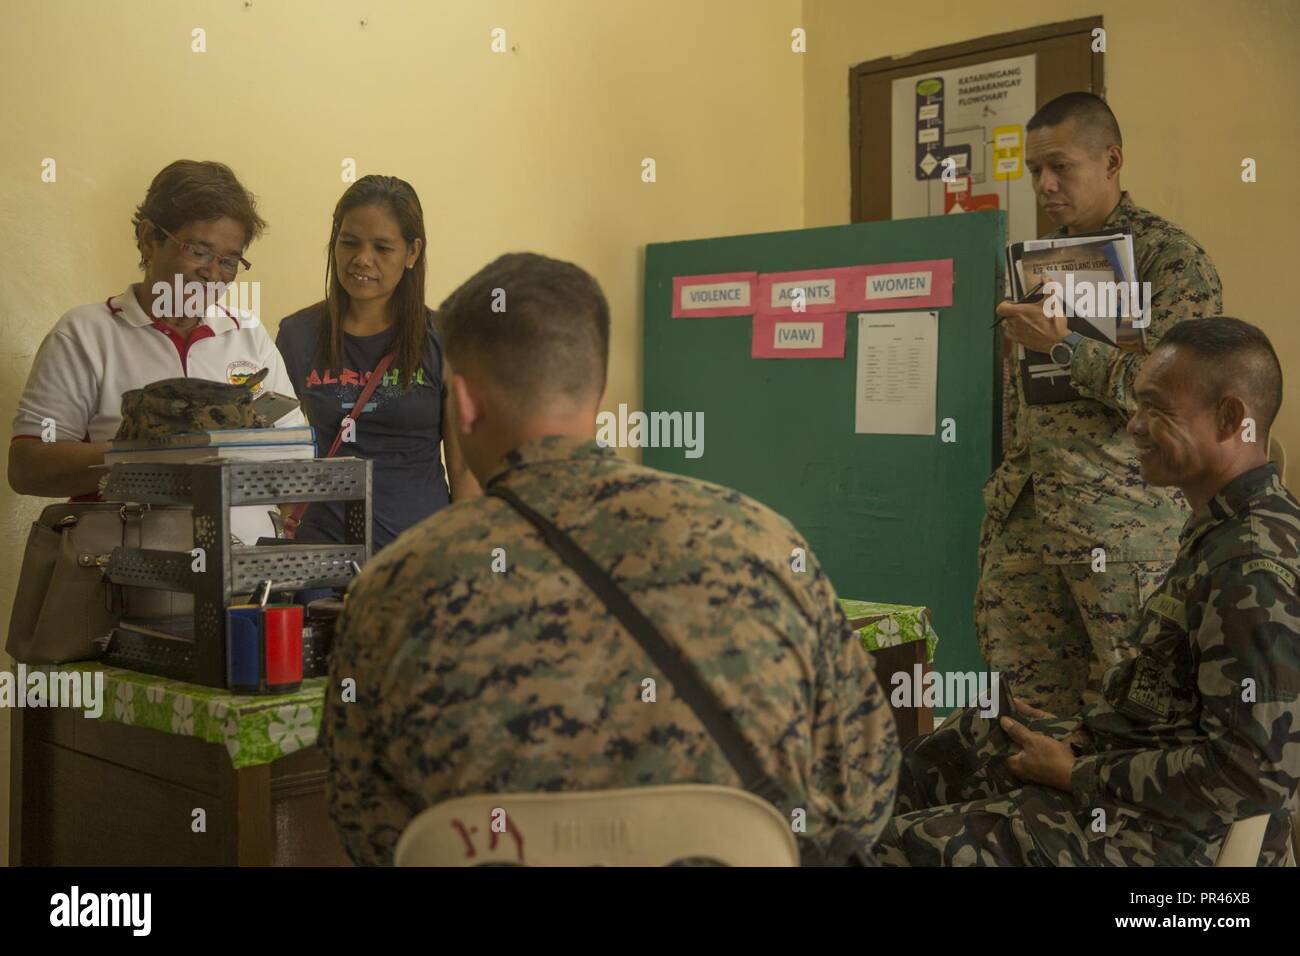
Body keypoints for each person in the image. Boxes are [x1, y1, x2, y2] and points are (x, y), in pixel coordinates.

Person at [322, 252, 899, 866]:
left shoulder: (392, 587)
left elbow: (372, 832)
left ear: (460, 402)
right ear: (596, 392)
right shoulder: (766, 543)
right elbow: (862, 793)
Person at [873, 318, 1299, 866]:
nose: (1135, 427)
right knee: (973, 733)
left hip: (1174, 841)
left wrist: (1077, 772)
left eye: (1157, 409)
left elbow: (1254, 773)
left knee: (902, 848)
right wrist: (1084, 737)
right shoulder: (1226, 524)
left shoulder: (1250, 565)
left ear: (1230, 418)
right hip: (1142, 776)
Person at [983, 92, 1224, 715]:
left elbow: (1178, 398)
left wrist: (1065, 347)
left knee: (1136, 708)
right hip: (1029, 516)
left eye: (1060, 166)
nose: (1045, 184)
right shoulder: (1037, 262)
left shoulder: (1169, 260)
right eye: (1035, 170)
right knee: (1028, 714)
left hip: (1123, 523)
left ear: (1112, 159)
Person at [9, 160, 301, 545]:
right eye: (199, 251)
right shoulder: (85, 334)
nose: (213, 273)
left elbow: (295, 453)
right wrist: (142, 454)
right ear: (150, 239)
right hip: (120, 584)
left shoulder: (248, 334)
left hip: (241, 585)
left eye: (229, 260)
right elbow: (28, 468)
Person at [276, 176, 476, 552]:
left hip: (419, 560)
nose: (362, 259)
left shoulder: (447, 340)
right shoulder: (297, 334)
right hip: (318, 563)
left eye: (382, 247)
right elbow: (275, 456)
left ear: (412, 252)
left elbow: (465, 472)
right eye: (349, 242)